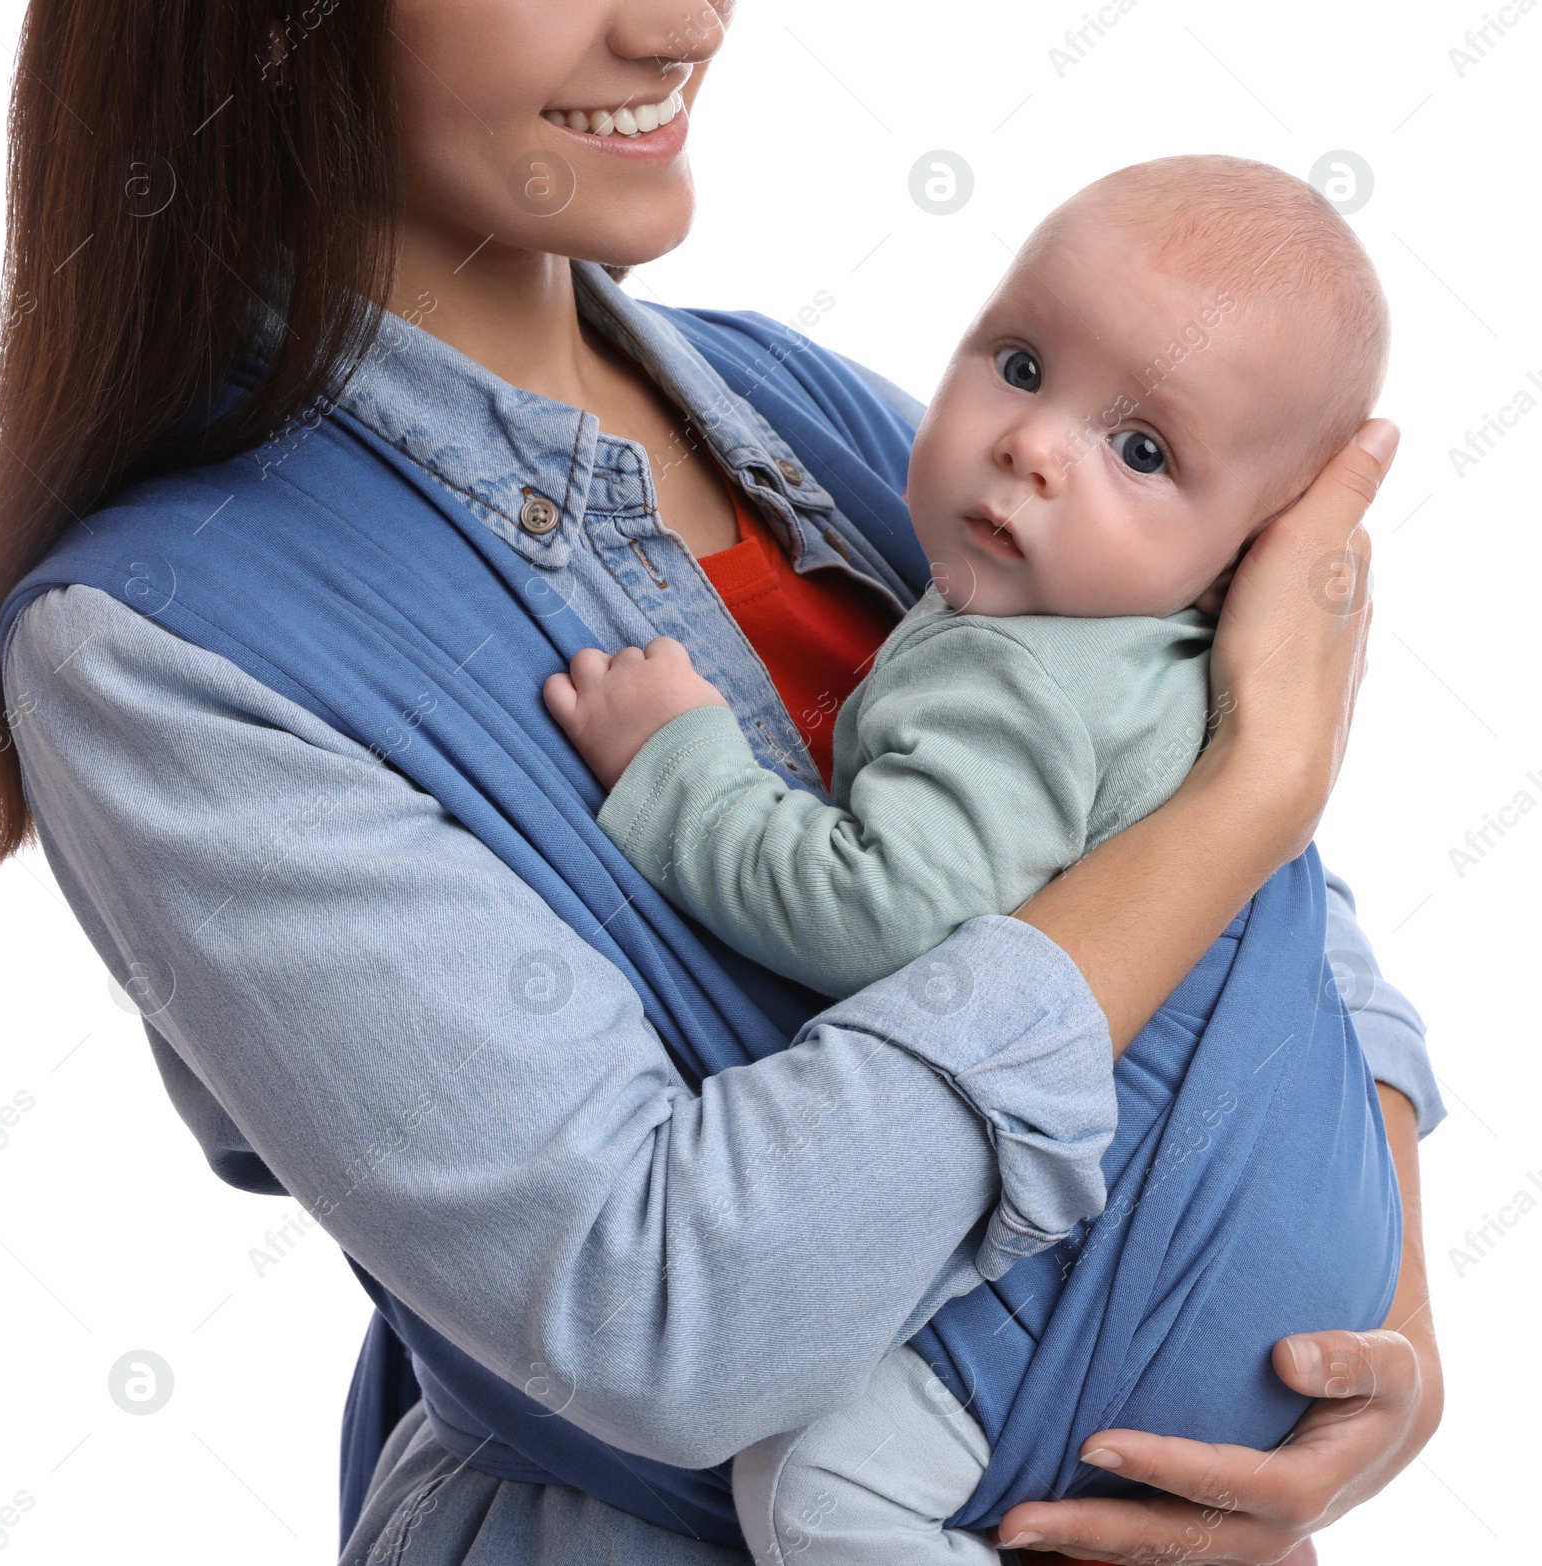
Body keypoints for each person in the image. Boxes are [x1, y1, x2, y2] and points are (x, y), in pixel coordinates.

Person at [0, 4, 1443, 1564]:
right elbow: (674, 1316)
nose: (683, 20)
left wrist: (1370, 1309)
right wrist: (1256, 789)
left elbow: (1234, 890)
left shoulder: (814, 409)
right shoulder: (168, 642)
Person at [547, 153, 1406, 1563]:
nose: (1036, 446)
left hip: (1154, 1262)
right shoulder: (1178, 670)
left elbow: (882, 912)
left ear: (1248, 552)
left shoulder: (1015, 675)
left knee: (818, 1493)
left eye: (1144, 452)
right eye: (1020, 362)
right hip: (1312, 1261)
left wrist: (678, 767)